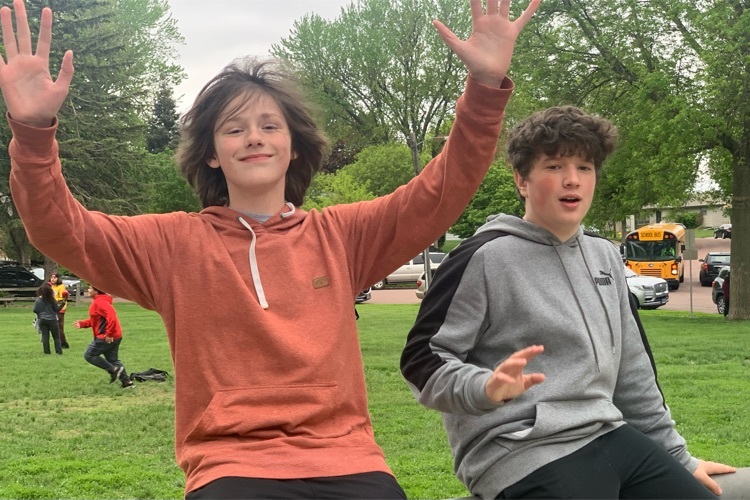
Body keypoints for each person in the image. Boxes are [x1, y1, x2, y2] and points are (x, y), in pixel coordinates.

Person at [1, 0, 541, 496]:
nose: (253, 137)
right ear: (212, 154)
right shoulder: (170, 244)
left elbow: (440, 191)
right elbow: (60, 228)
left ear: (293, 146)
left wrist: (485, 86)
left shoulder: (343, 236)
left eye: (268, 125)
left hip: (348, 459)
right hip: (229, 467)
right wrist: (31, 130)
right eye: (233, 129)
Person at [401, 106, 740, 499]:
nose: (572, 180)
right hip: (522, 449)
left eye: (584, 167)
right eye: (555, 166)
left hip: (610, 435)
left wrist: (677, 456)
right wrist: (485, 387)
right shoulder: (482, 257)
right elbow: (421, 361)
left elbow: (632, 369)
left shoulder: (605, 256)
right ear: (521, 179)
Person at [72, 286, 134, 389]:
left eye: (90, 288)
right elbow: (97, 320)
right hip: (115, 335)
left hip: (106, 337)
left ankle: (113, 370)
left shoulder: (100, 302)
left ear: (96, 291)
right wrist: (83, 324)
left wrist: (108, 334)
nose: (88, 290)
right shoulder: (100, 301)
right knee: (113, 359)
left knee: (89, 355)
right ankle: (127, 382)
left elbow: (112, 317)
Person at [33, 282, 63, 355]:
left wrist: (40, 314)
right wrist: (63, 303)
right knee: (56, 337)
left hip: (42, 320)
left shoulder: (38, 300)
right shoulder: (52, 300)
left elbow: (35, 310)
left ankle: (47, 352)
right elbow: (57, 309)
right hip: (52, 320)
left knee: (45, 336)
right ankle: (58, 351)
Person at [49, 272, 70, 348]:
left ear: (58, 278)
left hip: (60, 309)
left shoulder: (61, 287)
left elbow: (62, 299)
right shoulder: (52, 287)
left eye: (55, 278)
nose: (53, 279)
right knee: (55, 326)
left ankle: (64, 343)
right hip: (54, 308)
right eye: (52, 277)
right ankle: (60, 342)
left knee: (59, 326)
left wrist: (53, 300)